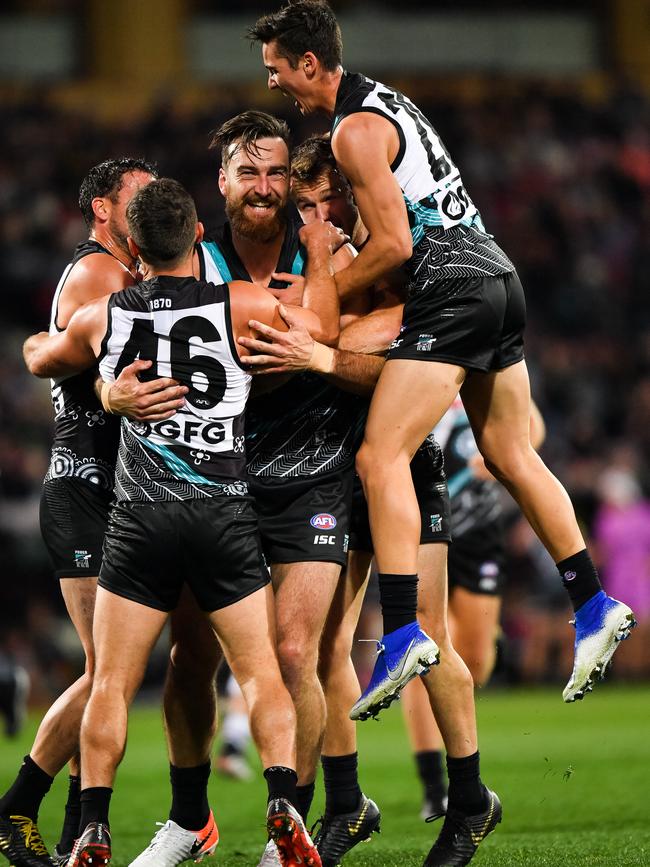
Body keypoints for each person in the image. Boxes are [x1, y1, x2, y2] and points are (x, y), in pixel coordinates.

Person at [249, 3, 634, 861]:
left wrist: (322, 305)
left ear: (311, 62)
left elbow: (392, 242)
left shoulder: (353, 131)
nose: (273, 80)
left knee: (380, 451)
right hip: (497, 271)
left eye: (278, 66)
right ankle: (592, 600)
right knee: (509, 450)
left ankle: (400, 636)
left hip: (452, 283)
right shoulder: (390, 104)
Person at [22, 178, 342, 867]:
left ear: (134, 248)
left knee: (109, 678)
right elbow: (321, 332)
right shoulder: (246, 303)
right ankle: (283, 801)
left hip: (140, 520)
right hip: (224, 512)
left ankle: (95, 826)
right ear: (199, 235)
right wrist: (317, 258)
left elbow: (37, 356)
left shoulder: (104, 316)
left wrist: (108, 388)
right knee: (260, 674)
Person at [101, 112, 378, 867]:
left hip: (314, 474)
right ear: (219, 182)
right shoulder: (193, 258)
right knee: (190, 654)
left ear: (293, 180)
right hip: (219, 483)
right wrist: (112, 395)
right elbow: (112, 349)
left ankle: (288, 830)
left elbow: (397, 328)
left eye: (275, 172)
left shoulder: (330, 247)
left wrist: (327, 351)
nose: (263, 186)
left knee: (296, 651)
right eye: (246, 172)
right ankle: (189, 820)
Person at [240, 134, 479, 867]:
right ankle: (344, 805)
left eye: (325, 200)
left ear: (349, 193)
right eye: (302, 203)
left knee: (426, 633)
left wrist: (320, 338)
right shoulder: (310, 267)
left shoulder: (391, 254)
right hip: (336, 471)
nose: (317, 215)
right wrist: (324, 329)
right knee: (318, 646)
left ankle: (469, 799)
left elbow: (399, 358)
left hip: (407, 462)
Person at [0, 157, 157, 867]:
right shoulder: (101, 275)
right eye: (139, 197)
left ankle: (73, 836)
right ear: (102, 207)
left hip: (110, 486)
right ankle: (17, 811)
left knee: (112, 674)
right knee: (106, 674)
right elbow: (84, 362)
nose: (151, 206)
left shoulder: (127, 273)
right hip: (84, 481)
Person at [400, 398, 546, 820]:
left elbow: (532, 426)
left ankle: (486, 639)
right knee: (424, 654)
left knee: (475, 665)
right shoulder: (409, 378)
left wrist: (499, 456)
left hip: (479, 534)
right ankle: (434, 787)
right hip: (421, 535)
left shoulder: (479, 377)